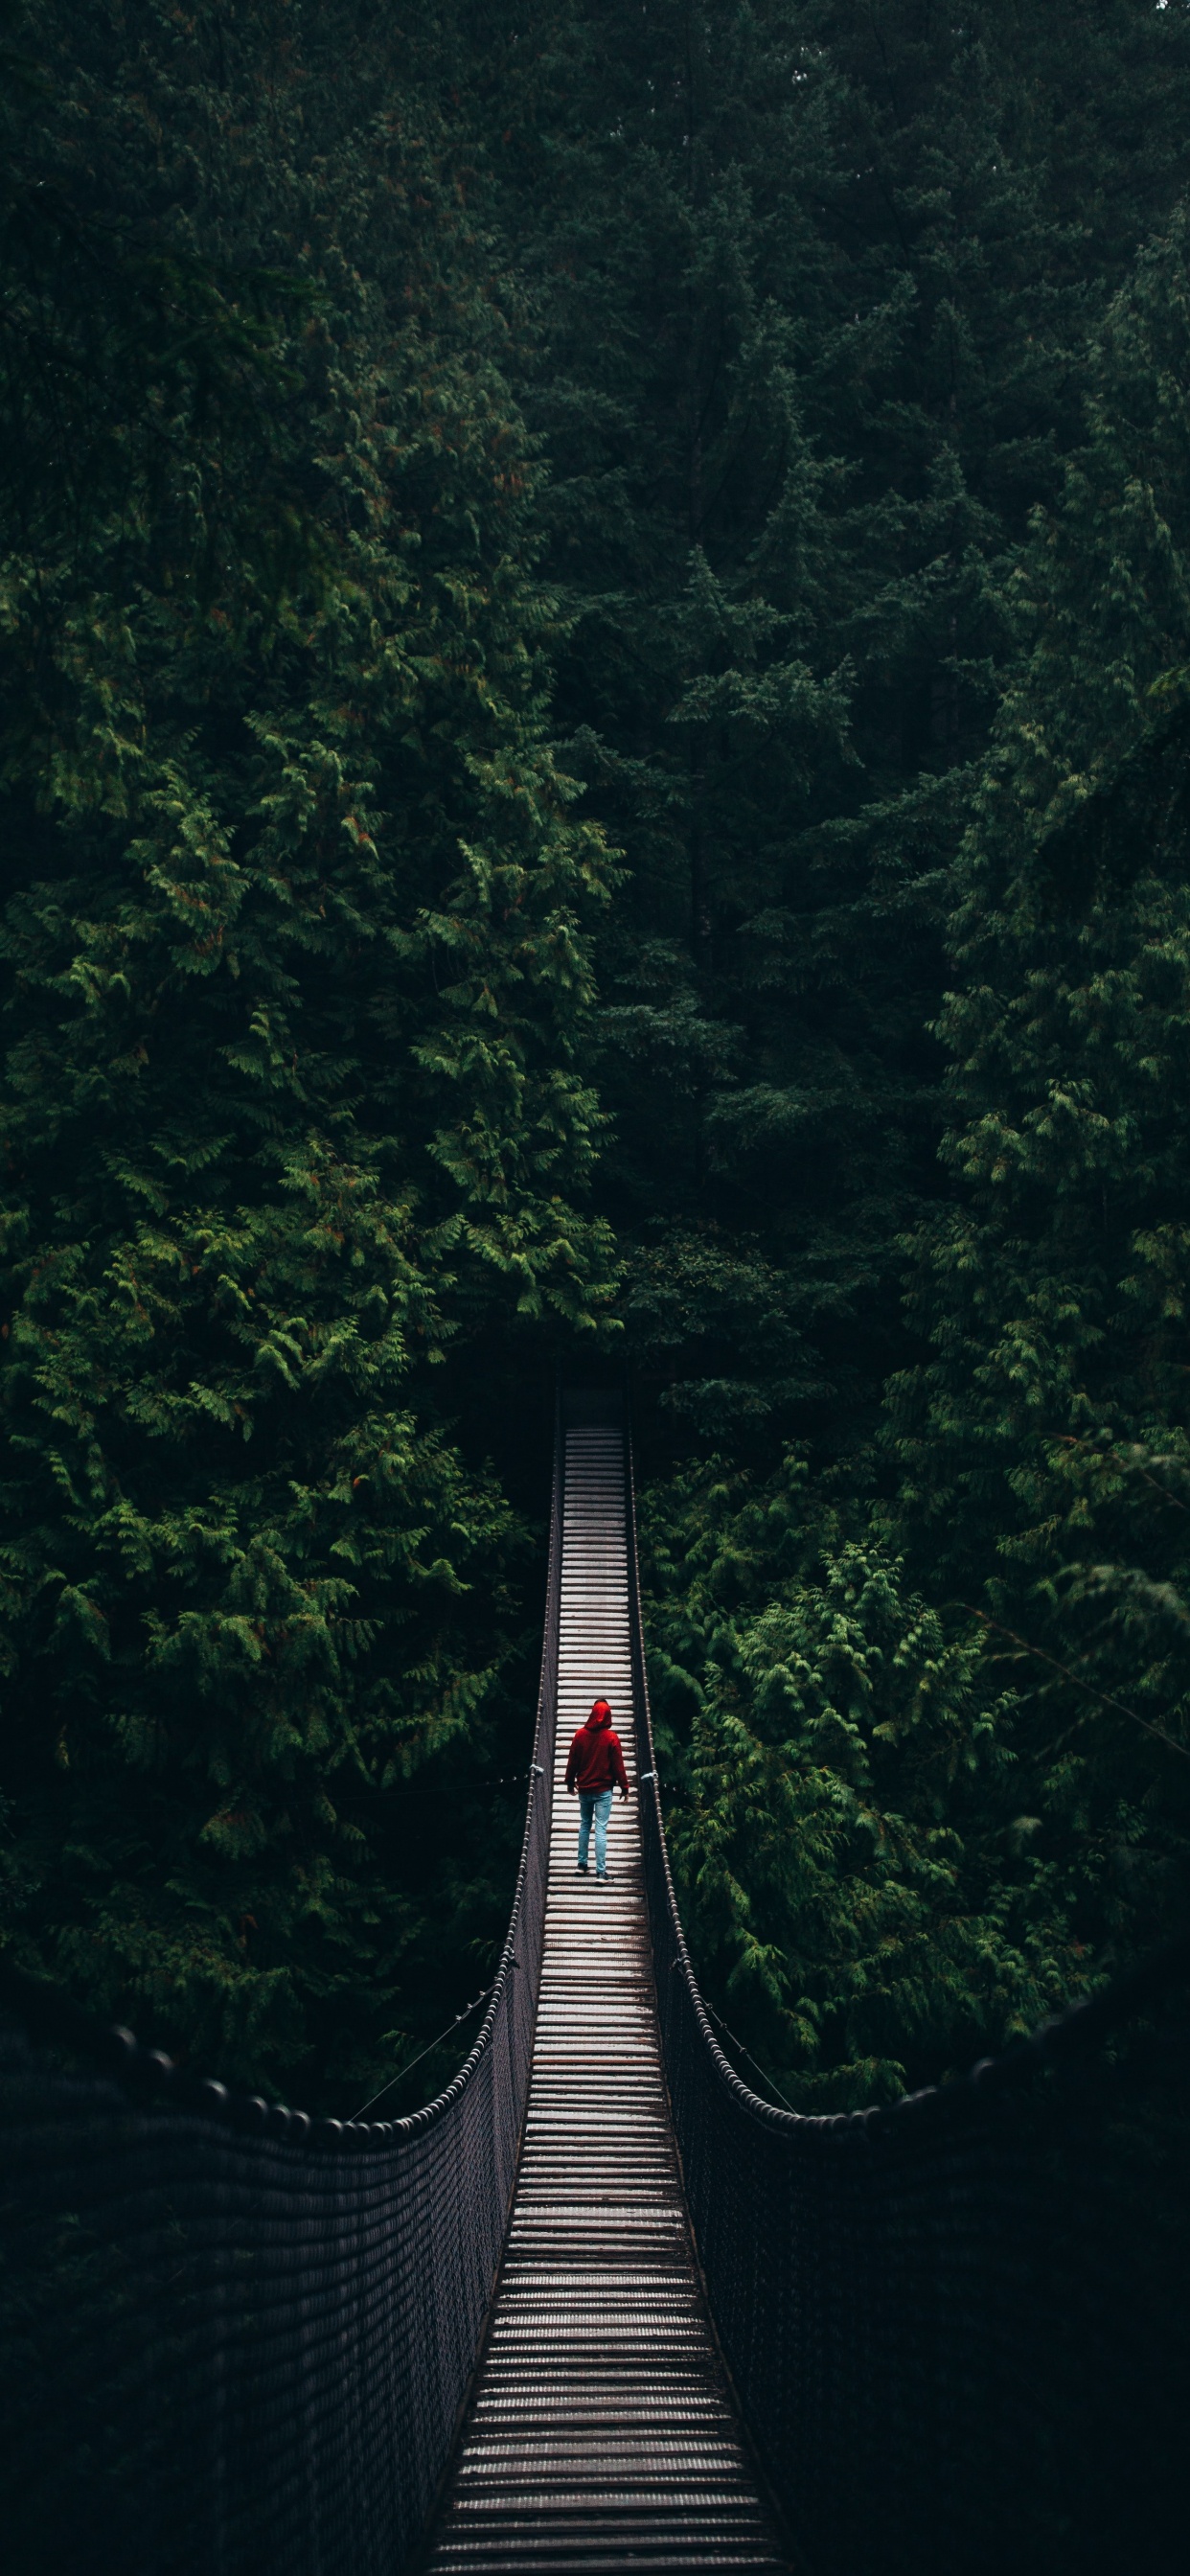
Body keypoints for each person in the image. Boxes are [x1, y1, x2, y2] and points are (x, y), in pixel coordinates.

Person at [564, 1696, 629, 1881]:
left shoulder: (579, 1735)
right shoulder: (611, 1738)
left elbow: (572, 1762)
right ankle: (601, 1872)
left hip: (584, 1790)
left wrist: (570, 1782)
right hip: (603, 1792)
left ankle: (581, 1864)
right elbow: (618, 1766)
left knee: (585, 1825)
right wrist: (624, 1787)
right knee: (601, 1828)